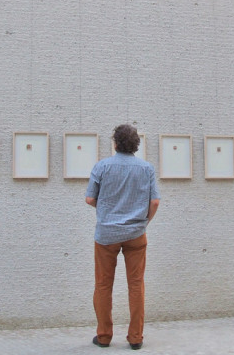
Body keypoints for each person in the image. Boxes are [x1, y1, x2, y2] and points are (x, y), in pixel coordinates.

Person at [85, 124, 160, 350]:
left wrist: (107, 210)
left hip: (107, 234)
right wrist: (143, 221)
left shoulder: (102, 167)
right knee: (136, 285)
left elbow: (89, 199)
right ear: (136, 144)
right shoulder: (146, 168)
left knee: (103, 285)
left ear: (115, 143)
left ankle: (104, 336)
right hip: (136, 234)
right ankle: (136, 337)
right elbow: (155, 201)